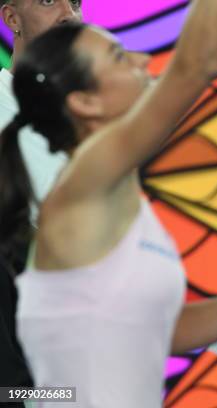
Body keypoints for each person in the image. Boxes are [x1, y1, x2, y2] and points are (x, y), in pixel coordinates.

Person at [0, 1, 217, 406]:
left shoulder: (110, 188)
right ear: (86, 103)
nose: (141, 57)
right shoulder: (85, 180)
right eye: (118, 56)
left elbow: (168, 331)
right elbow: (196, 65)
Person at [0, 0, 82, 398]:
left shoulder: (93, 121)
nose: (69, 13)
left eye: (77, 1)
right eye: (49, 0)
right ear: (11, 18)